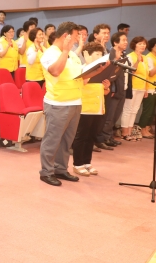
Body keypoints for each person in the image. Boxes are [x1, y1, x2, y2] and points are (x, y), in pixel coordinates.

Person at [39, 22, 108, 187]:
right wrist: (65, 51)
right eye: (76, 36)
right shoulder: (50, 53)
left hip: (76, 102)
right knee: (52, 140)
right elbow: (55, 71)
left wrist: (97, 70)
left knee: (66, 141)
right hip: (58, 103)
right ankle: (46, 172)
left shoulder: (73, 55)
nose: (78, 40)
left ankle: (61, 169)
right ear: (66, 36)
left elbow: (82, 78)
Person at [71, 42, 110, 176]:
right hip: (85, 108)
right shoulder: (83, 68)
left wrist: (106, 87)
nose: (100, 56)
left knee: (91, 136)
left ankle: (87, 162)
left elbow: (105, 92)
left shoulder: (101, 70)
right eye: (97, 54)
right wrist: (88, 64)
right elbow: (84, 82)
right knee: (81, 136)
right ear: (87, 55)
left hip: (98, 107)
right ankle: (77, 164)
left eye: (101, 54)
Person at [96, 32, 129, 150]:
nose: (126, 42)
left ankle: (109, 136)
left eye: (126, 40)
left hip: (122, 88)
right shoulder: (110, 54)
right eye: (123, 40)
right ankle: (104, 137)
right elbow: (110, 73)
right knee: (109, 116)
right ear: (115, 42)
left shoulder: (124, 54)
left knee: (115, 115)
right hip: (111, 88)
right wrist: (112, 88)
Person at [120, 36, 149, 141]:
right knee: (128, 109)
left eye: (144, 44)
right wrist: (137, 61)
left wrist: (145, 88)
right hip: (132, 87)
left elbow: (145, 74)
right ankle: (124, 133)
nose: (142, 46)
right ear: (134, 45)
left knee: (135, 110)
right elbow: (131, 72)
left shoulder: (145, 58)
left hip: (141, 87)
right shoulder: (130, 56)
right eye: (140, 43)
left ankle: (130, 132)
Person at [138, 38, 156, 139]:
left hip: (154, 87)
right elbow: (151, 73)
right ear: (152, 47)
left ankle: (147, 128)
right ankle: (142, 129)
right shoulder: (149, 57)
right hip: (149, 87)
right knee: (148, 110)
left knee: (152, 111)